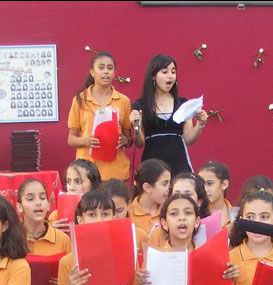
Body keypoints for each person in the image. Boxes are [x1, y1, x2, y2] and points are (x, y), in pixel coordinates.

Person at [130, 54, 208, 176]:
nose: (170, 76)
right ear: (153, 76)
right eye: (165, 72)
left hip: (179, 164)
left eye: (173, 72)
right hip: (152, 165)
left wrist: (200, 124)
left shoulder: (183, 104)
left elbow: (188, 139)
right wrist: (136, 127)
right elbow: (139, 143)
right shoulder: (140, 105)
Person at [67, 51, 133, 181]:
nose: (106, 72)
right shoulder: (80, 100)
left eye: (110, 68)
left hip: (116, 172)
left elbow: (129, 139)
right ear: (92, 72)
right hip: (88, 172)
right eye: (101, 67)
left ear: (114, 73)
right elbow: (71, 139)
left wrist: (125, 140)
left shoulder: (124, 101)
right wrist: (85, 140)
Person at [49, 159, 101, 231]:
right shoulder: (56, 216)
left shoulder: (102, 212)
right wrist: (52, 232)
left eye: (78, 181)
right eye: (68, 181)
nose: (71, 188)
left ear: (93, 184)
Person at [197, 161, 234, 227]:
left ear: (224, 184)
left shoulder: (236, 215)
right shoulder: (195, 215)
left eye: (209, 183)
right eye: (201, 184)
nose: (205, 189)